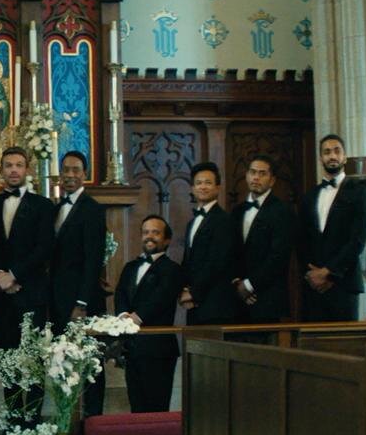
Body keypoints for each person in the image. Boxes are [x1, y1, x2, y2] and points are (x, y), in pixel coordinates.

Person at [0, 146, 54, 431]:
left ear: (27, 170)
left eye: (18, 165)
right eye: (8, 165)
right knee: (7, 358)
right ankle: (14, 420)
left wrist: (14, 276)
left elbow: (44, 248)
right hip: (1, 295)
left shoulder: (43, 206)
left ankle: (33, 420)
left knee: (33, 358)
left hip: (32, 293)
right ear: (1, 170)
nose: (13, 170)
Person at [48, 150, 108, 417]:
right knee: (63, 359)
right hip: (58, 299)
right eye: (66, 170)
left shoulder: (92, 209)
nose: (70, 175)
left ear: (85, 174)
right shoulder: (55, 209)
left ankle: (93, 418)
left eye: (75, 170)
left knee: (90, 362)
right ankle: (67, 418)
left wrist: (81, 303)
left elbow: (93, 259)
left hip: (82, 301)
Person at [115, 215, 184, 413]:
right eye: (146, 232)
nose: (149, 236)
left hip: (158, 348)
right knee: (136, 406)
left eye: (156, 232)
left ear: (167, 240)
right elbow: (120, 293)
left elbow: (161, 297)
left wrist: (136, 318)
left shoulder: (173, 269)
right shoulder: (130, 267)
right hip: (131, 346)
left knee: (157, 408)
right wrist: (123, 316)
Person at [299, 134, 366, 322]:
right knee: (312, 340)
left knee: (343, 339)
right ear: (320, 158)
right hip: (313, 287)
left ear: (344, 157)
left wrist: (328, 273)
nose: (332, 156)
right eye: (327, 152)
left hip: (344, 284)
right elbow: (302, 240)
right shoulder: (309, 197)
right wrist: (313, 275)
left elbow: (358, 240)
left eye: (337, 151)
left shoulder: (360, 193)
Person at [231, 155, 295, 323]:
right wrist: (237, 283)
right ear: (247, 176)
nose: (256, 177)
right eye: (253, 172)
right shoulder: (236, 211)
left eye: (262, 173)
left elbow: (278, 257)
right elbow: (230, 252)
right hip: (237, 301)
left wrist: (249, 285)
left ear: (272, 180)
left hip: (267, 300)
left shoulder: (282, 212)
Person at [179, 162, 239, 325]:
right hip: (194, 305)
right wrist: (182, 290)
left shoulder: (224, 220)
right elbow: (188, 261)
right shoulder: (192, 223)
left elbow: (217, 262)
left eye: (208, 183)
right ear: (192, 188)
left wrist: (193, 293)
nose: (203, 187)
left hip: (216, 305)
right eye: (198, 183)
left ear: (218, 188)